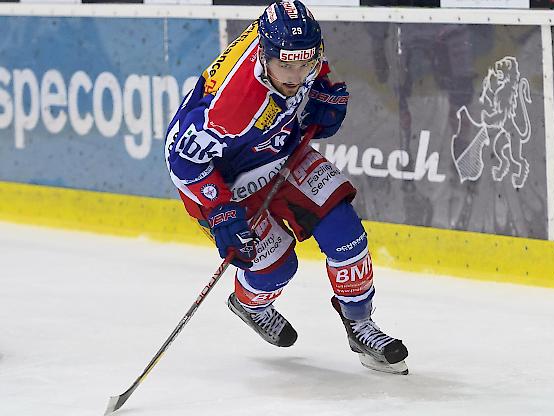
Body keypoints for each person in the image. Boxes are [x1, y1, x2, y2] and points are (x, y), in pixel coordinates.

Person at [165, 0, 408, 374]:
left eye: (304, 64)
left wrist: (324, 93)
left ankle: (360, 324)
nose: (296, 75)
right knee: (276, 269)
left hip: (278, 150)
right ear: (263, 55)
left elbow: (310, 67)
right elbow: (180, 156)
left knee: (346, 233)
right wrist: (219, 208)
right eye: (286, 66)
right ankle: (251, 304)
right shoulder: (230, 105)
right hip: (224, 181)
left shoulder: (292, 47)